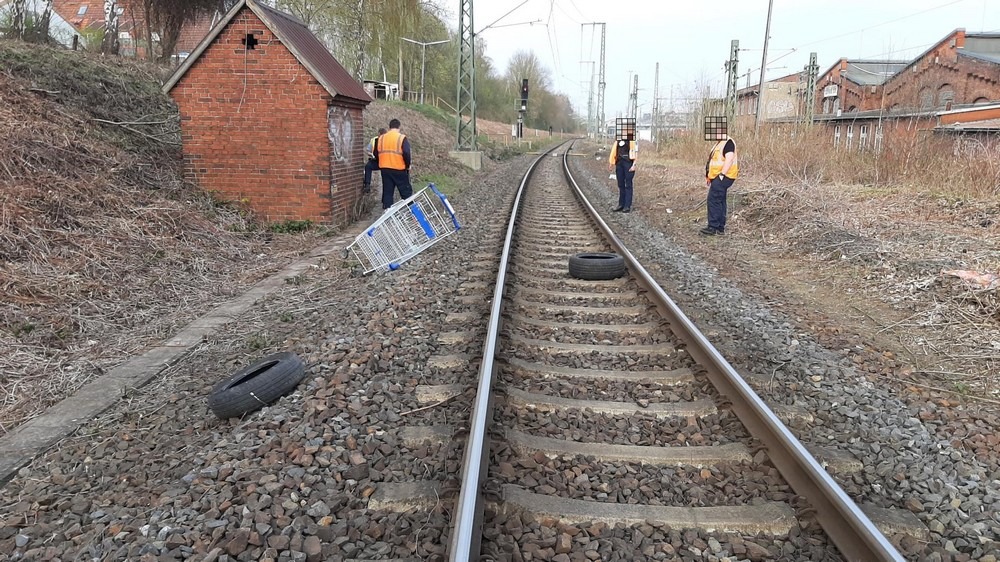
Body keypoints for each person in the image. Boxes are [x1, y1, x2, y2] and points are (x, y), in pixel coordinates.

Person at [702, 129, 739, 235]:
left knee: (713, 200)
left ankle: (712, 227)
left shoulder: (728, 142)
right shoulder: (719, 144)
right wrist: (709, 177)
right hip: (719, 177)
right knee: (720, 200)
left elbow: (729, 159)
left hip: (724, 176)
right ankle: (719, 227)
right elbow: (712, 162)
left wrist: (721, 175)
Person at [372, 118, 413, 210]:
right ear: (399, 127)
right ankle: (412, 213)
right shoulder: (401, 138)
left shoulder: (381, 138)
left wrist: (382, 161)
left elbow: (375, 153)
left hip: (385, 169)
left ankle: (387, 214)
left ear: (389, 127)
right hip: (399, 169)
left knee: (387, 193)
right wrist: (407, 165)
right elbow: (406, 152)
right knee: (406, 192)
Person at [607, 132, 637, 212]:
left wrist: (634, 165)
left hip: (628, 163)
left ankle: (627, 205)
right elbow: (614, 150)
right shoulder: (618, 139)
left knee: (628, 184)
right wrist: (611, 163)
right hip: (619, 163)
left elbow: (635, 151)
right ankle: (621, 204)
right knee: (620, 184)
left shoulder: (631, 139)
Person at [363, 128, 386, 194]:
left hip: (385, 162)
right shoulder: (374, 140)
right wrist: (371, 154)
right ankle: (367, 185)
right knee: (368, 166)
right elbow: (368, 150)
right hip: (376, 160)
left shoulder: (387, 141)